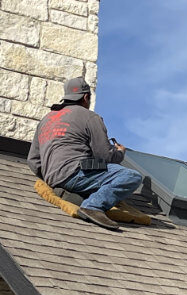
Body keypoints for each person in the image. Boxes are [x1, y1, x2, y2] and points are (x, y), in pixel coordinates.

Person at [27, 77, 142, 231]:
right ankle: (92, 206)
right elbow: (105, 156)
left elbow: (33, 161)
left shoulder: (46, 120)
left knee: (95, 171)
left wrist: (52, 177)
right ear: (86, 97)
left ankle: (72, 193)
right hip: (76, 171)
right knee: (131, 176)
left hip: (52, 178)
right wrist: (120, 153)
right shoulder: (90, 117)